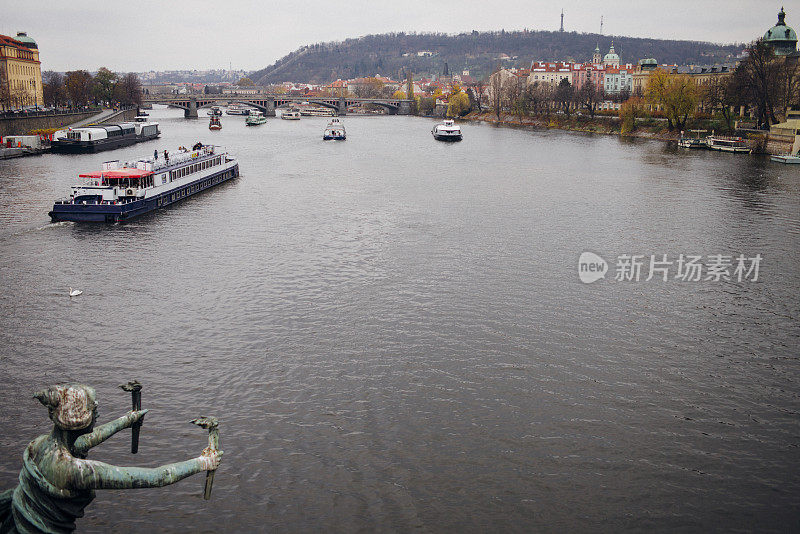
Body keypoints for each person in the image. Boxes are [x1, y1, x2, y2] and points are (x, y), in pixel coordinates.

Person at [0, 384, 221, 533]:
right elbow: (156, 477)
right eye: (94, 409)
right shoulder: (75, 471)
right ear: (82, 419)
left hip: (15, 521)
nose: (98, 413)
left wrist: (126, 420)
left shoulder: (39, 444)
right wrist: (202, 462)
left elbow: (82, 443)